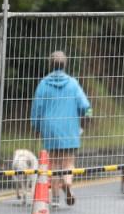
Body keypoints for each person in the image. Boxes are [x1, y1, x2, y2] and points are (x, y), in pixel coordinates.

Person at [30, 51, 91, 206]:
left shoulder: (43, 84)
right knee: (68, 161)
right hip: (69, 127)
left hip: (50, 128)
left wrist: (36, 126)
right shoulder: (72, 83)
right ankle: (68, 183)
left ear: (51, 64)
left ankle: (56, 198)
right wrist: (88, 114)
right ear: (65, 65)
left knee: (54, 163)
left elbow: (37, 108)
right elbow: (84, 105)